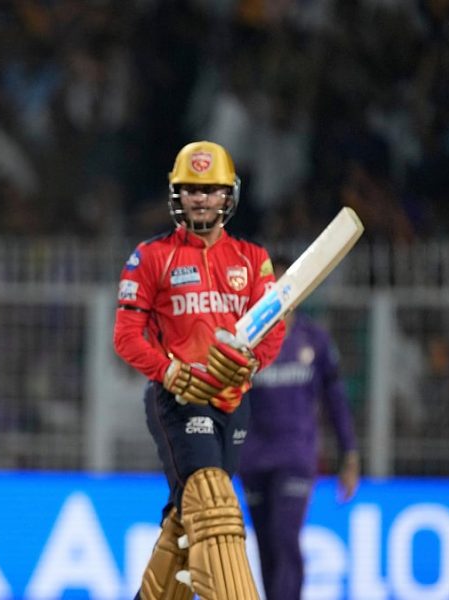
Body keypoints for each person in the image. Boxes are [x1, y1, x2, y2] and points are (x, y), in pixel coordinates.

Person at [113, 140, 286, 600]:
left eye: (210, 190)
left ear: (229, 195)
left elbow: (272, 329)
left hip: (234, 402)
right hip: (178, 399)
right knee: (214, 502)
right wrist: (168, 372)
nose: (200, 199)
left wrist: (249, 364)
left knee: (186, 520)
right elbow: (127, 337)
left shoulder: (253, 259)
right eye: (191, 189)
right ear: (176, 194)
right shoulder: (151, 256)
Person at [238, 255, 360, 600]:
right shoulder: (246, 341)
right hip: (254, 459)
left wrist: (349, 454)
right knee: (265, 542)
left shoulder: (314, 339)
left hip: (296, 457)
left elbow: (336, 400)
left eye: (282, 287)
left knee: (284, 535)